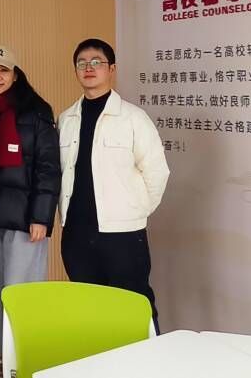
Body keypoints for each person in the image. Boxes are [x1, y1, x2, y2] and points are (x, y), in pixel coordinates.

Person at [58, 38, 169, 327]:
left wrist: (136, 210)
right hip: (77, 233)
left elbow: (157, 172)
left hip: (122, 234)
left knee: (135, 305)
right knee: (89, 308)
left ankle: (150, 355)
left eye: (96, 62)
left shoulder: (133, 118)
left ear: (112, 69)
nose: (89, 68)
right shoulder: (66, 119)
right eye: (82, 63)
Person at [0, 46, 60, 376]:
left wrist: (41, 217)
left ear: (16, 74)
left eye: (3, 70)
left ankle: (27, 354)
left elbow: (49, 168)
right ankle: (3, 354)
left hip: (25, 219)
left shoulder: (37, 111)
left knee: (23, 291)